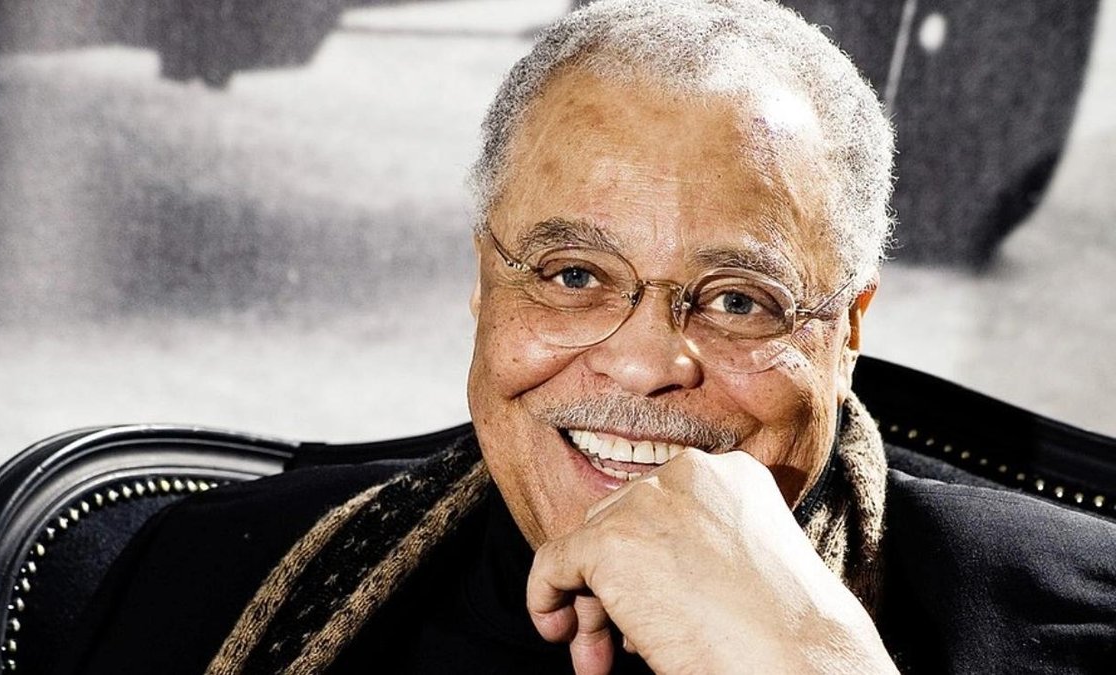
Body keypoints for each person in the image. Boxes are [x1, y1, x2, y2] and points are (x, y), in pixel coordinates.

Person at [58, 1, 1116, 673]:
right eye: (573, 276)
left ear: (847, 332)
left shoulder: (1077, 624)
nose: (645, 362)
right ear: (486, 285)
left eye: (739, 300)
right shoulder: (204, 586)